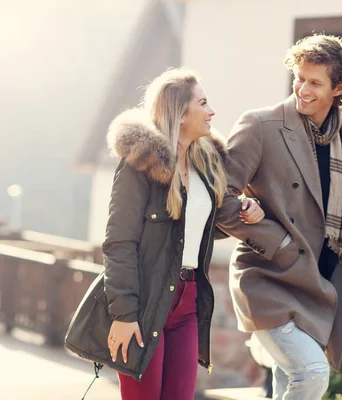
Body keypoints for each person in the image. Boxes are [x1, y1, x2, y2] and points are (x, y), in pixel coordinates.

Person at [64, 68, 264, 400]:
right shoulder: (138, 165)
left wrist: (248, 209)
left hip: (187, 303)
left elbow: (198, 230)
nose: (211, 111)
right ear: (180, 114)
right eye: (203, 103)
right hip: (142, 303)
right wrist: (125, 315)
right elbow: (119, 241)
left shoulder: (206, 165)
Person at [215, 34, 342, 399]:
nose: (303, 89)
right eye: (299, 78)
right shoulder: (260, 125)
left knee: (291, 380)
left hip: (320, 282)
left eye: (315, 82)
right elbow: (220, 199)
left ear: (339, 88)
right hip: (268, 276)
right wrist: (277, 241)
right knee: (312, 373)